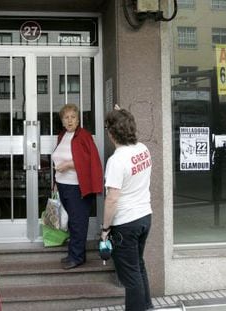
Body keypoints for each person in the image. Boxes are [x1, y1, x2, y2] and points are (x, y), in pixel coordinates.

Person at [101, 107, 153, 311]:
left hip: (125, 224)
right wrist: (123, 112)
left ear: (111, 133)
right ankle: (146, 306)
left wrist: (105, 230)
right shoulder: (143, 149)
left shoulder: (116, 160)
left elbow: (112, 199)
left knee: (130, 277)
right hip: (144, 217)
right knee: (138, 266)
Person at [52, 103, 103, 270]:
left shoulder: (84, 136)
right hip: (63, 185)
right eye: (66, 118)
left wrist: (68, 165)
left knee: (78, 222)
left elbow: (90, 161)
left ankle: (77, 257)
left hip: (78, 187)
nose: (69, 120)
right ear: (62, 121)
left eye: (73, 117)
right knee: (72, 223)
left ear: (78, 119)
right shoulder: (62, 136)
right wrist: (55, 182)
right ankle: (73, 254)